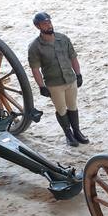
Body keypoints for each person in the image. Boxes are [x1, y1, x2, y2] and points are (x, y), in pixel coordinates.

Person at [27, 12, 87, 146]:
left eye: (49, 22)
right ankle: (68, 134)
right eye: (44, 24)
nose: (48, 25)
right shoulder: (35, 47)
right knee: (61, 110)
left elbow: (73, 57)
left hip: (70, 80)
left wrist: (78, 74)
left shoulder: (63, 39)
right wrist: (41, 86)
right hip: (54, 84)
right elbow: (35, 69)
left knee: (73, 106)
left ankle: (77, 131)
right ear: (38, 27)